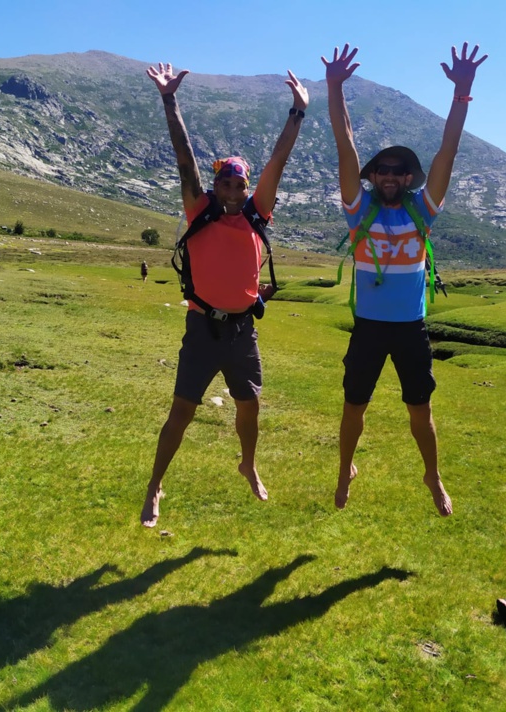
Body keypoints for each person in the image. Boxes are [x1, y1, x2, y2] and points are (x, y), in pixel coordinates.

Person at [140, 61, 309, 528]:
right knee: (182, 412)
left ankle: (248, 463)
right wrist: (169, 100)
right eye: (226, 183)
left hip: (241, 332)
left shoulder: (258, 214)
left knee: (250, 407)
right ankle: (155, 485)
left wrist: (297, 112)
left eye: (240, 184)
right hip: (202, 329)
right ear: (215, 186)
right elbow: (183, 158)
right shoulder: (199, 210)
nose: (234, 191)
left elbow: (278, 162)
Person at [323, 42, 487, 516]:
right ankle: (344, 470)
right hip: (369, 328)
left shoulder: (422, 211)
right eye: (383, 170)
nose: (390, 175)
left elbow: (447, 153)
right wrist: (335, 88)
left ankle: (432, 476)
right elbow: (345, 141)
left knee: (421, 410)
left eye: (399, 171)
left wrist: (462, 94)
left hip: (411, 329)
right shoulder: (359, 211)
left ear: (408, 177)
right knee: (354, 405)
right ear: (372, 175)